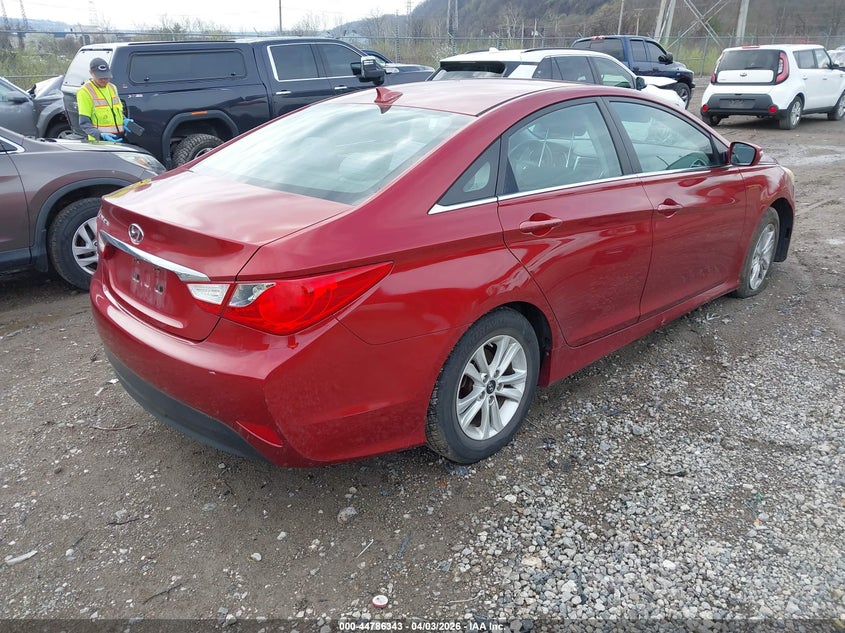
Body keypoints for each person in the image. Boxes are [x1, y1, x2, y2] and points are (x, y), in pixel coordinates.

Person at [76, 57, 132, 142]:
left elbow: (116, 111)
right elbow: (84, 123)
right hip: (100, 142)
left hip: (119, 138)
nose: (104, 80)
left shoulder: (112, 88)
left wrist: (124, 120)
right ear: (91, 73)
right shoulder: (84, 92)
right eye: (100, 78)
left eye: (106, 77)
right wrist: (100, 135)